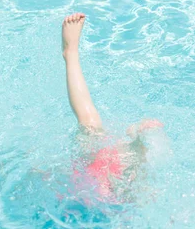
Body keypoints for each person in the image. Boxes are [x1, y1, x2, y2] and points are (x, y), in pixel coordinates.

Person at [61, 13, 165, 204]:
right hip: (105, 179)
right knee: (90, 124)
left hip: (97, 177)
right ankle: (71, 54)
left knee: (90, 123)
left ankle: (71, 53)